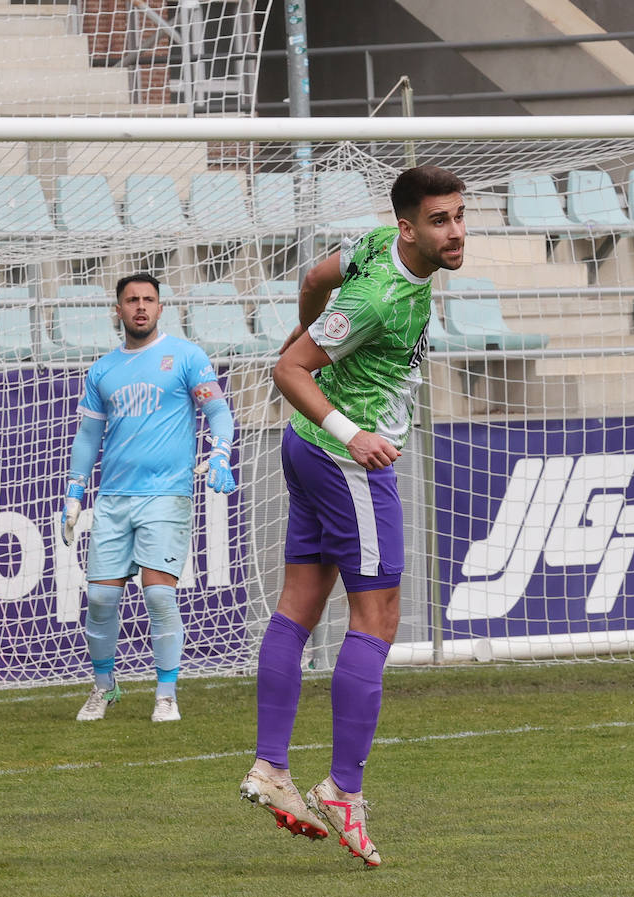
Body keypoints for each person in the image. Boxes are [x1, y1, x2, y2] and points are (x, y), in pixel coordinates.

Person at [238, 165, 467, 868]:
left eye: (460, 216)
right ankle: (343, 787)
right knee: (379, 615)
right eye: (439, 220)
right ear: (409, 227)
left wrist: (307, 336)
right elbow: (289, 371)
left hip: (306, 451)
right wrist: (353, 433)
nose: (455, 232)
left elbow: (312, 278)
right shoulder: (379, 296)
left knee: (300, 604)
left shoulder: (374, 245)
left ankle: (271, 765)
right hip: (345, 459)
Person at [60, 273, 237, 724]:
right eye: (132, 300)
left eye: (149, 299)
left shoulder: (185, 356)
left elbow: (217, 410)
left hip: (166, 496)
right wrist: (75, 491)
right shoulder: (102, 370)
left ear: (161, 308)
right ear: (116, 311)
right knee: (100, 599)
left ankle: (166, 693)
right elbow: (87, 435)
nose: (140, 306)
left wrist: (220, 454)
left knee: (159, 598)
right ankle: (104, 686)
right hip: (114, 499)